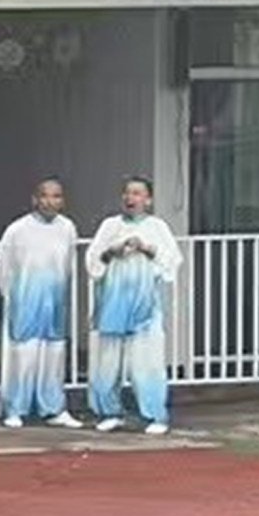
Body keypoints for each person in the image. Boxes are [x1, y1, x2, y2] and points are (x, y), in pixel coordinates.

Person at [85, 177, 184, 436]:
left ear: (148, 200)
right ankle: (110, 412)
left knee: (147, 364)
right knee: (107, 363)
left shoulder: (157, 226)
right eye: (128, 193)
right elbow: (93, 261)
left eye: (138, 193)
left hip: (145, 309)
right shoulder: (110, 226)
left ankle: (155, 414)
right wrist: (112, 251)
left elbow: (172, 261)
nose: (131, 198)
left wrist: (147, 248)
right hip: (111, 304)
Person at [0, 178, 86, 430]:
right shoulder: (17, 230)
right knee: (23, 356)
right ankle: (15, 408)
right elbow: (4, 266)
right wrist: (12, 297)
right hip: (24, 303)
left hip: (54, 303)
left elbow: (67, 267)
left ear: (62, 201)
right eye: (45, 196)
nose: (50, 201)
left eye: (56, 196)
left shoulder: (67, 228)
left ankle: (54, 408)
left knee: (54, 356)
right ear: (35, 199)